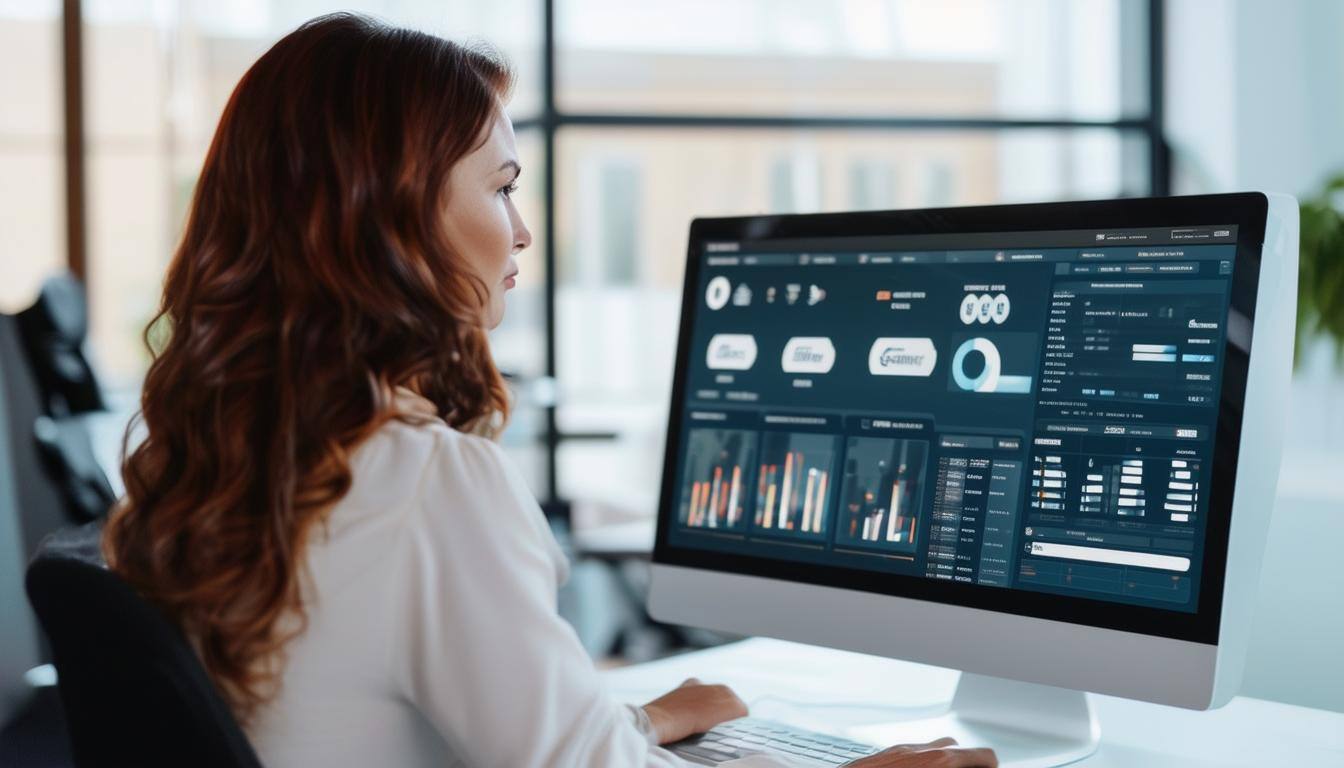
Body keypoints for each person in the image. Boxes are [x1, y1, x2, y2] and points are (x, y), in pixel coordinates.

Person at [101, 13, 997, 768]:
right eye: (501, 187)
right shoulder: (421, 482)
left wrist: (634, 722)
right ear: (390, 221)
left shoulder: (207, 456)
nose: (522, 232)